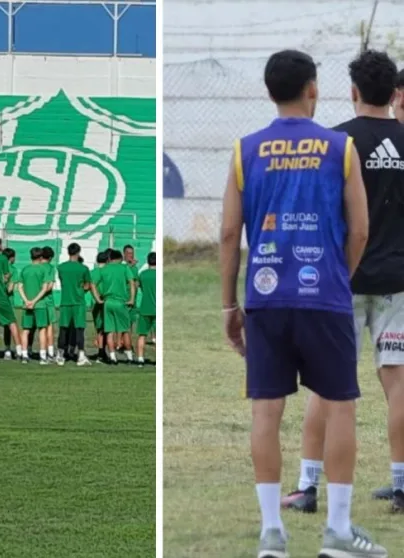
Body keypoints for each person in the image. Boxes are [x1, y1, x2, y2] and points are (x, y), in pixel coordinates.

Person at [220, 49, 383, 557]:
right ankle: (337, 531)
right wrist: (340, 275)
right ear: (313, 89)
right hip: (326, 296)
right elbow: (359, 229)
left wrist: (230, 306)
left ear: (270, 92)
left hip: (265, 299)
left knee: (266, 412)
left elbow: (228, 233)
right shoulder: (342, 147)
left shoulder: (244, 150)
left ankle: (273, 532)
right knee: (340, 409)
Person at [284, 50, 404, 515]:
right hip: (398, 280)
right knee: (396, 381)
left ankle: (307, 486)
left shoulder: (333, 143)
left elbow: (315, 215)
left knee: (326, 383)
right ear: (394, 93)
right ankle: (400, 486)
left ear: (352, 92)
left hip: (341, 280)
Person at [57, 242, 93, 366]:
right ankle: (81, 356)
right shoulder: (83, 268)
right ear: (78, 252)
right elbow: (88, 285)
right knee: (79, 329)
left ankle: (60, 355)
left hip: (65, 301)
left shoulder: (61, 267)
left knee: (63, 328)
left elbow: (62, 281)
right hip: (78, 302)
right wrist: (81, 288)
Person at [135, 252, 156, 366]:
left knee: (142, 335)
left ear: (148, 262)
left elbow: (139, 287)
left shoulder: (142, 274)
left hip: (145, 307)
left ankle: (140, 359)